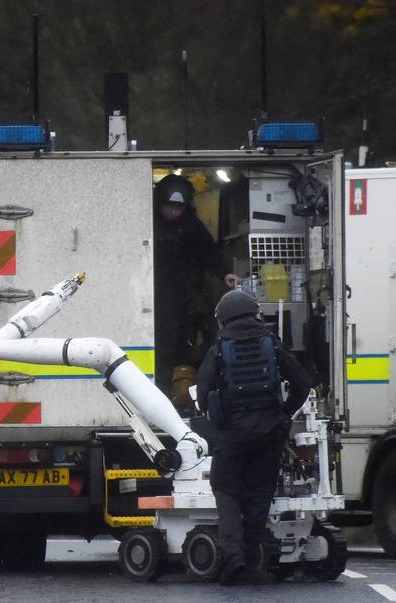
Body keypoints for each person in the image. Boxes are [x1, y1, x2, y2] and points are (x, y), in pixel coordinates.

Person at [196, 290, 315, 585]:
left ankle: (232, 556)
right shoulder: (272, 345)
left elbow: (201, 395)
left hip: (233, 435)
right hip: (269, 434)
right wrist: (283, 414)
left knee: (226, 490)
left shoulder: (220, 348)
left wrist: (217, 417)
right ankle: (250, 560)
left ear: (223, 320)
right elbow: (303, 383)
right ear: (255, 314)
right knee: (259, 495)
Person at [153, 173, 236, 396]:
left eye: (178, 208)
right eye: (169, 207)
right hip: (151, 294)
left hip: (182, 296)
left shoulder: (192, 226)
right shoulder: (148, 221)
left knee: (181, 343)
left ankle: (179, 391)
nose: (173, 212)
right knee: (162, 344)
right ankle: (159, 388)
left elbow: (208, 251)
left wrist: (224, 273)